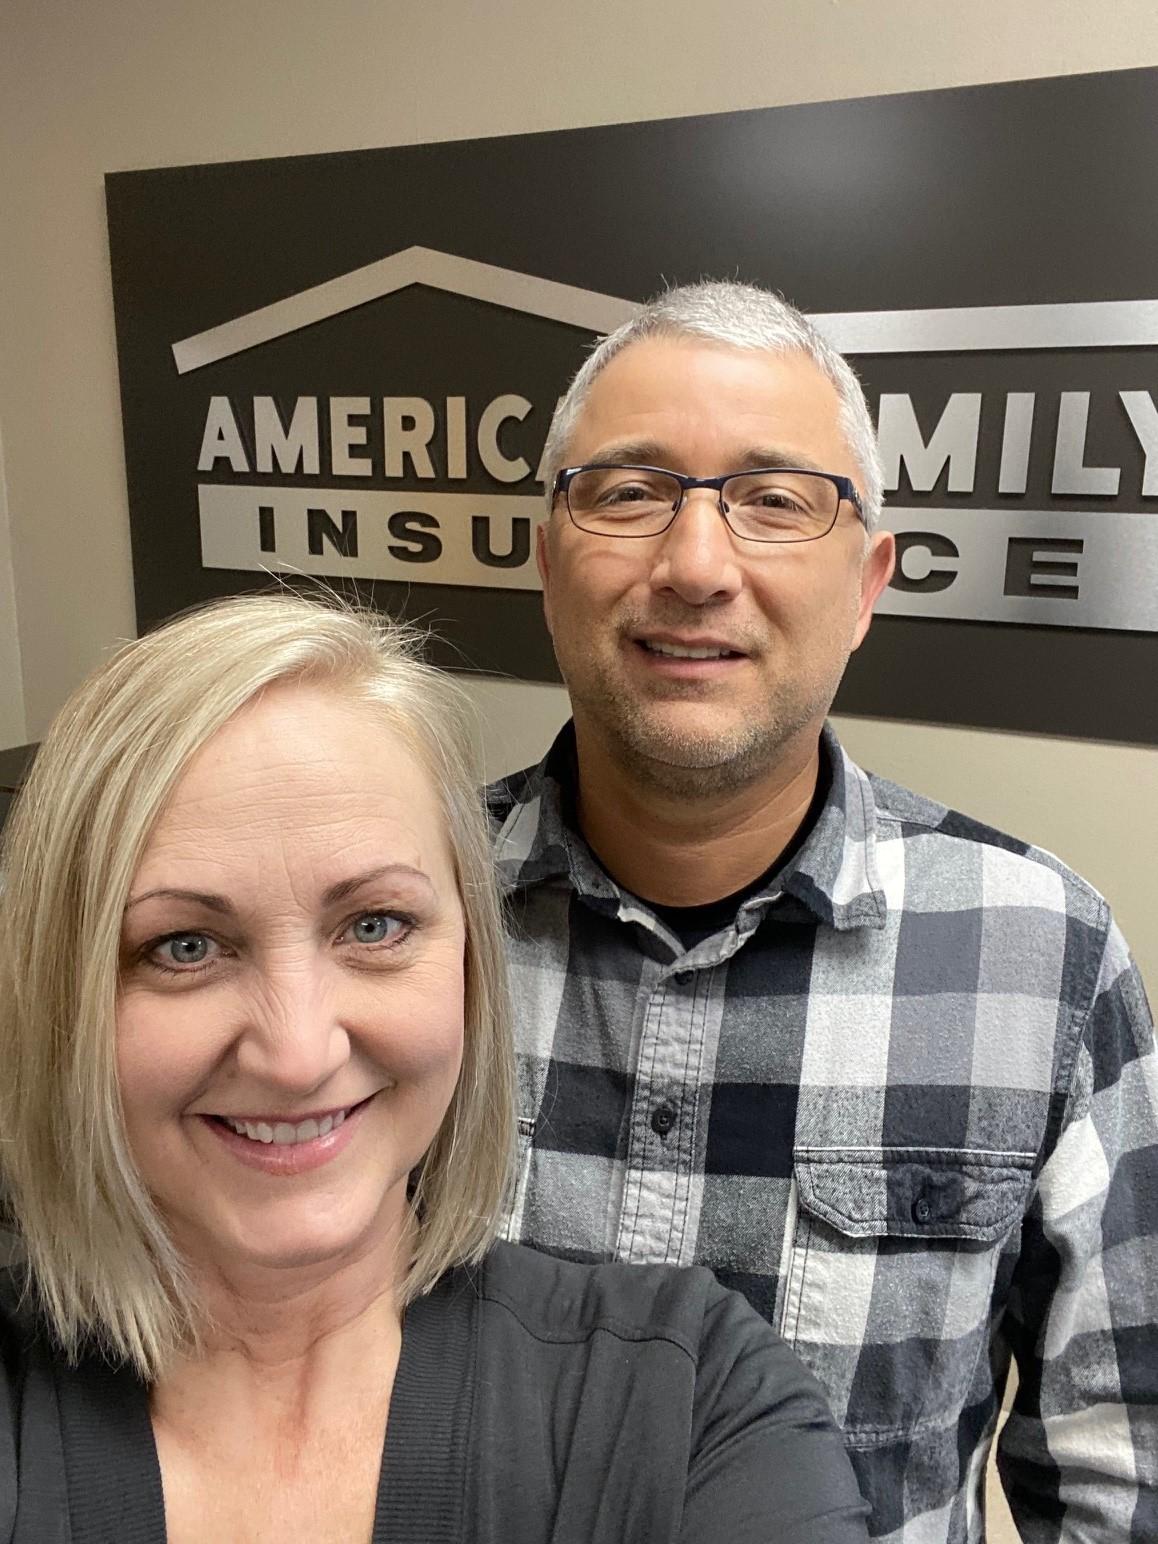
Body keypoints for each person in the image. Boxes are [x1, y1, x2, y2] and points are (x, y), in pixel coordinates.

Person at [488, 281, 1158, 1540]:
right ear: (547, 559)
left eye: (775, 501)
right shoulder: (392, 917)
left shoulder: (1039, 951)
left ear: (866, 583)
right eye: (629, 491)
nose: (694, 565)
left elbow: (1130, 1463)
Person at [0, 593, 869, 1544]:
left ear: (470, 963)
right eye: (183, 947)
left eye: (375, 926)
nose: (297, 1056)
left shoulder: (692, 1398)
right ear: (64, 997)